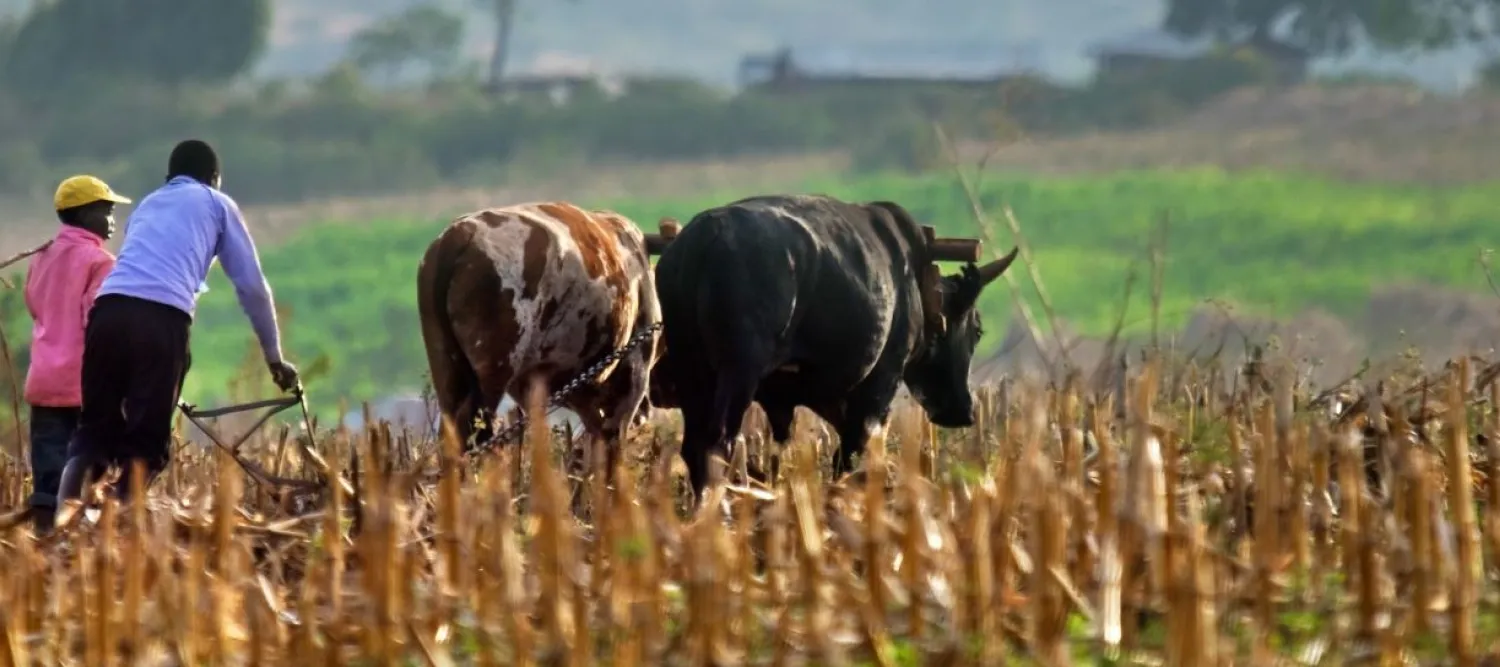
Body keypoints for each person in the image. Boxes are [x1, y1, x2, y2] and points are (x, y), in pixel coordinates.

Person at [56, 139, 299, 509]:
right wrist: (274, 358)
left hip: (107, 314)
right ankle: (121, 529)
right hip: (160, 319)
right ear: (214, 178)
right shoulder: (217, 203)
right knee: (145, 446)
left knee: (93, 435)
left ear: (171, 177)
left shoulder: (148, 204)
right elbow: (252, 288)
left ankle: (64, 528)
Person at [24, 175, 132, 532]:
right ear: (85, 213)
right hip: (83, 381)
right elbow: (97, 322)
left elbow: (34, 305)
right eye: (107, 210)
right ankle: (79, 534)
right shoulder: (100, 262)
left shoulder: (41, 256)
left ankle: (43, 530)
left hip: (43, 378)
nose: (113, 220)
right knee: (88, 462)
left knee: (48, 460)